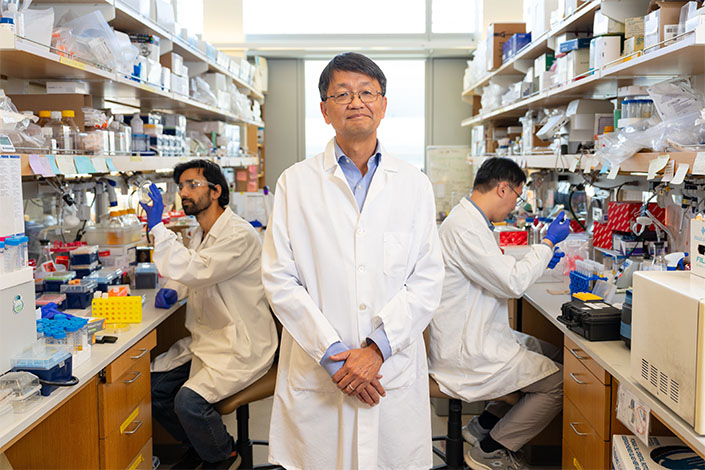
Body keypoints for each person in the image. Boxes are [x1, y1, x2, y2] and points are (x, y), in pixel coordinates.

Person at [261, 52, 444, 470]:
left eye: (366, 92)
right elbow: (279, 279)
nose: (355, 102)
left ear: (383, 104)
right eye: (342, 94)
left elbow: (428, 278)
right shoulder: (295, 183)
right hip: (321, 373)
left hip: (389, 370)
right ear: (325, 110)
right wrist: (335, 358)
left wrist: (376, 351)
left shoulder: (414, 184)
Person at [428, 157, 570, 470]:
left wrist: (537, 260)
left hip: (478, 331)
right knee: (560, 381)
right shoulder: (465, 229)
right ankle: (490, 449)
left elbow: (499, 270)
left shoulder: (470, 221)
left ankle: (483, 426)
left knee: (560, 355)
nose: (514, 207)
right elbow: (512, 283)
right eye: (517, 197)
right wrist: (546, 243)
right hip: (467, 350)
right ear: (503, 189)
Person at [141, 159, 278, 470]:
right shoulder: (200, 232)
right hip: (210, 339)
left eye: (193, 185)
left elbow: (199, 268)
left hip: (241, 343)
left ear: (216, 191)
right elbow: (192, 268)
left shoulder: (239, 235)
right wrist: (173, 290)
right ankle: (199, 447)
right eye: (182, 187)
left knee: (188, 402)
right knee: (153, 390)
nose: (185, 193)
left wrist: (157, 228)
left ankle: (224, 456)